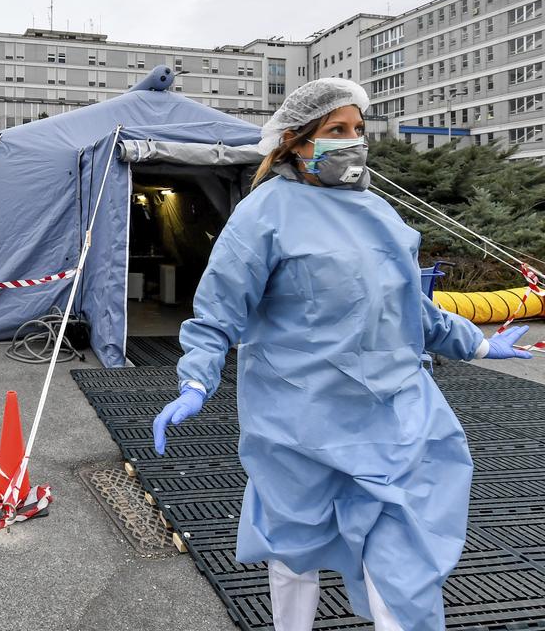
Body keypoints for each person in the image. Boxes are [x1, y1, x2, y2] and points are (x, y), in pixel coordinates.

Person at [151, 78, 532, 631]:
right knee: (291, 542)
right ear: (295, 141)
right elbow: (218, 314)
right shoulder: (262, 217)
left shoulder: (380, 214)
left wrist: (476, 341)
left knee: (405, 557)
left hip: (395, 411)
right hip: (299, 416)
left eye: (358, 130)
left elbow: (411, 309)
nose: (353, 142)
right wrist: (195, 381)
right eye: (336, 131)